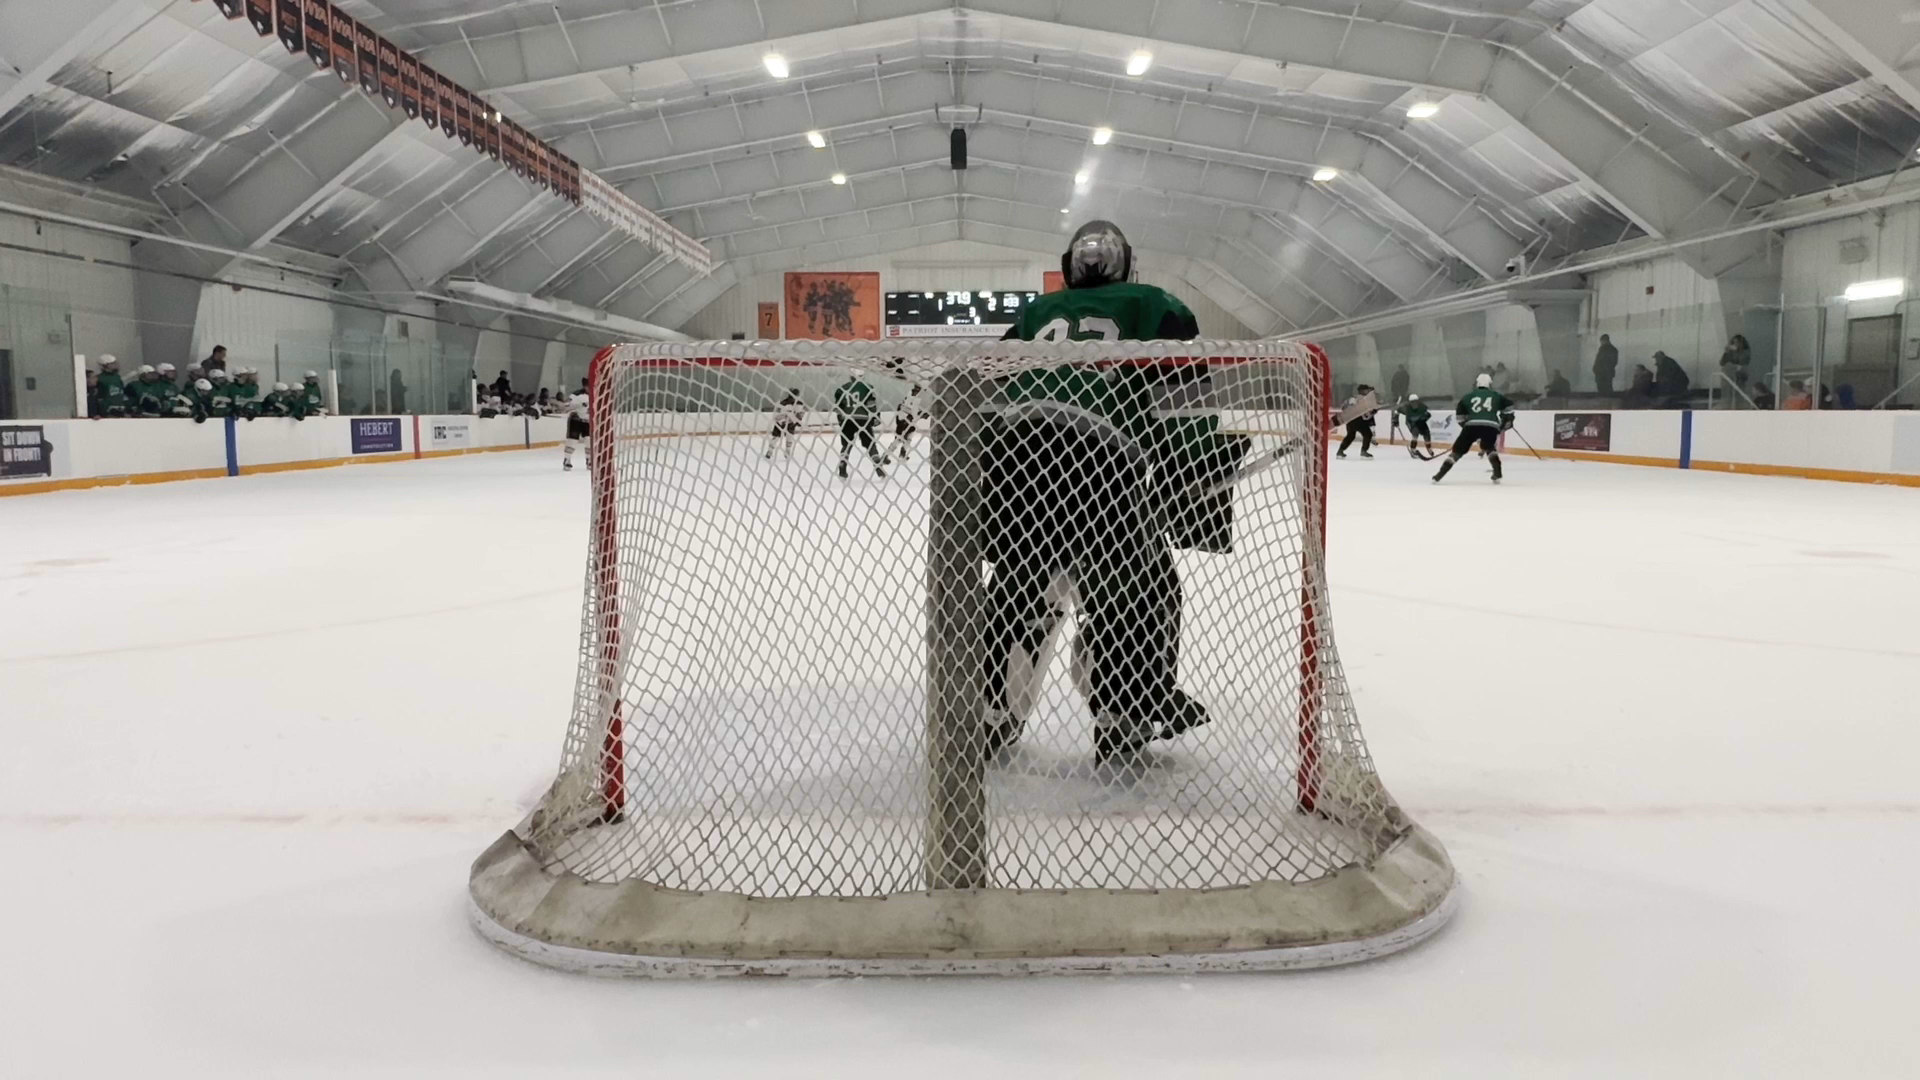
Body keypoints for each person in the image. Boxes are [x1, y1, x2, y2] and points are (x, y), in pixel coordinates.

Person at [982, 218, 1223, 763]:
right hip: (1104, 464)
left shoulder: (1036, 311)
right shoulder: (1156, 304)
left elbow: (988, 382)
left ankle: (992, 710)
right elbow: (1184, 400)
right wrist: (1192, 472)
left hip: (1021, 463)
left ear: (1070, 267)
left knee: (1021, 587)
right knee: (1140, 590)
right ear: (1126, 262)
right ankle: (1124, 713)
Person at [1433, 372, 1514, 484]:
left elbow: (1460, 417)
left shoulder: (1467, 397)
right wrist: (1508, 419)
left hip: (1471, 425)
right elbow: (1509, 407)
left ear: (1477, 384)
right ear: (1490, 384)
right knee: (1489, 448)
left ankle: (1439, 474)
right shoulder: (1497, 395)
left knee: (1457, 451)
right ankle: (1497, 472)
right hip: (1491, 425)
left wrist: (1467, 430)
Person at [832, 371, 886, 479]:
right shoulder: (867, 387)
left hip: (847, 419)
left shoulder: (842, 388)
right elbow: (871, 404)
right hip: (863, 419)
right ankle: (877, 466)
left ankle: (843, 465)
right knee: (870, 444)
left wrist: (841, 420)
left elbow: (837, 408)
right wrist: (876, 416)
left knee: (846, 445)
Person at [1336, 384, 1378, 459]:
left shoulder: (1351, 398)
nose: (1368, 391)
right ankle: (1364, 451)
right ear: (1362, 391)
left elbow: (1343, 407)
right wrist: (1372, 412)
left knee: (1350, 436)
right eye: (1366, 390)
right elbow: (1366, 411)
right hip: (1359, 420)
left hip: (1349, 419)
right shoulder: (1364, 399)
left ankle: (1340, 451)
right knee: (1367, 434)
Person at [889, 384, 927, 461]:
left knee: (905, 436)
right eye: (918, 391)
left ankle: (893, 453)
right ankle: (899, 452)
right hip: (904, 420)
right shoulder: (913, 398)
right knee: (905, 436)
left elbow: (903, 408)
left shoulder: (911, 397)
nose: (918, 392)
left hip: (902, 419)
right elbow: (912, 412)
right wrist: (921, 415)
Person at [765, 388, 806, 459]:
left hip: (784, 423)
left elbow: (798, 414)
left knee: (780, 437)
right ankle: (784, 452)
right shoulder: (796, 403)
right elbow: (799, 414)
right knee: (785, 438)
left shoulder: (784, 402)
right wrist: (797, 421)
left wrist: (796, 421)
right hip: (785, 423)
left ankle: (771, 451)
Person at [1396, 394, 1435, 459]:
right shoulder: (1406, 407)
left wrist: (1426, 416)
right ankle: (1413, 449)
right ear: (1410, 402)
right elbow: (1396, 411)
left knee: (1427, 433)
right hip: (1411, 422)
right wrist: (1395, 419)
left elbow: (1427, 413)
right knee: (1415, 433)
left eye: (1416, 401)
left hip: (1421, 421)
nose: (1414, 404)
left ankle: (1429, 448)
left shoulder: (1422, 406)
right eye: (1412, 402)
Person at [561, 390, 591, 471]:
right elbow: (566, 406)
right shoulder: (576, 395)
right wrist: (577, 406)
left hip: (588, 421)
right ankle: (567, 459)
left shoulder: (596, 393)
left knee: (589, 440)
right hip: (576, 420)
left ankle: (589, 460)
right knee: (572, 441)